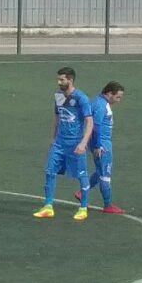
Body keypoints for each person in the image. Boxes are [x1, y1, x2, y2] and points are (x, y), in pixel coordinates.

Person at [35, 66, 94, 221]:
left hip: (75, 143)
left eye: (62, 79)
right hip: (59, 143)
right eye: (58, 79)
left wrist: (83, 143)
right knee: (49, 171)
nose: (59, 82)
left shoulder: (81, 98)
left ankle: (83, 207)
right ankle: (48, 206)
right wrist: (53, 139)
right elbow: (57, 118)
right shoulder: (58, 96)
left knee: (81, 175)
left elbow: (89, 121)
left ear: (70, 80)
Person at [85, 82, 125, 214]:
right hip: (102, 143)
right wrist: (97, 145)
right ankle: (108, 205)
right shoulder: (101, 105)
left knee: (99, 170)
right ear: (109, 94)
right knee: (105, 174)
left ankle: (82, 192)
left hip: (98, 141)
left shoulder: (97, 101)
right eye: (118, 97)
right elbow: (95, 126)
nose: (119, 100)